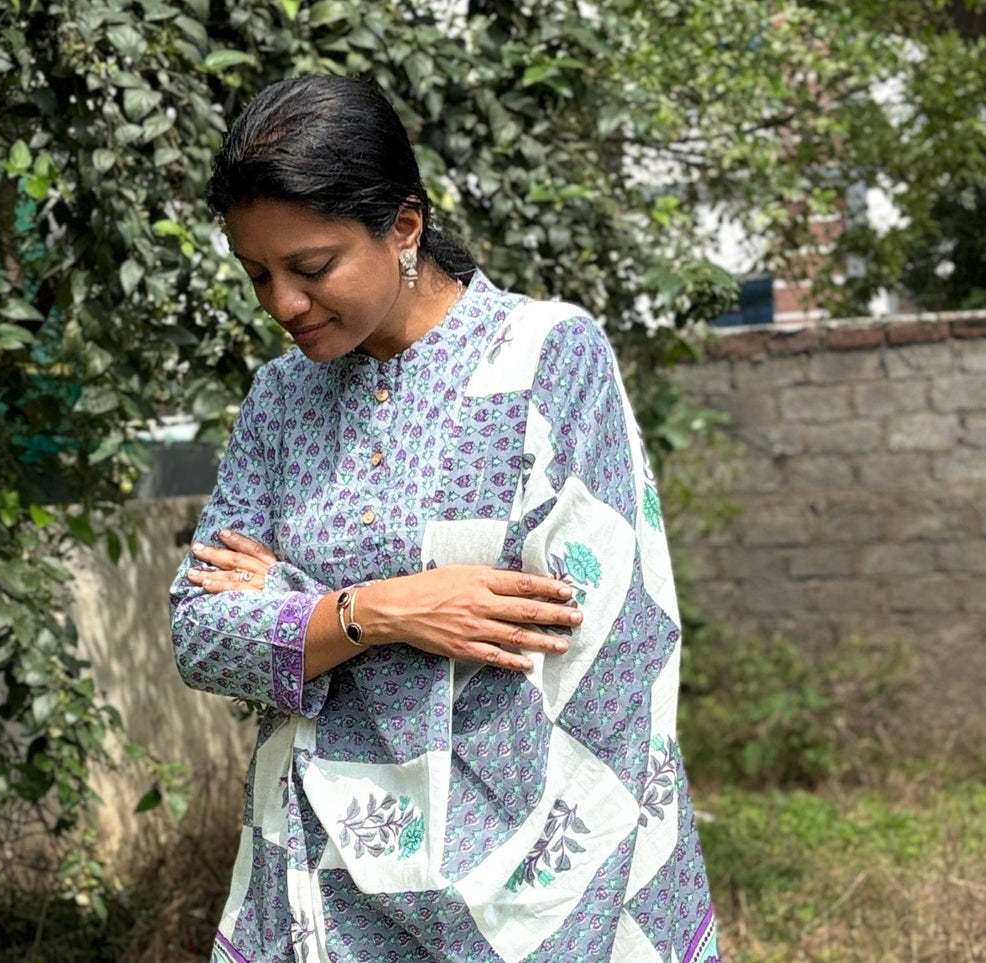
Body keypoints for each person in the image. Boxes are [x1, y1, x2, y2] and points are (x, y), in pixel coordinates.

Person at [170, 74, 717, 963]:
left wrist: (297, 602)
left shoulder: (543, 356)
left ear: (404, 228)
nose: (281, 304)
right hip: (323, 884)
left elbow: (615, 655)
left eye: (310, 268)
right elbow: (200, 630)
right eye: (257, 274)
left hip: (540, 878)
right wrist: (381, 609)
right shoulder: (278, 401)